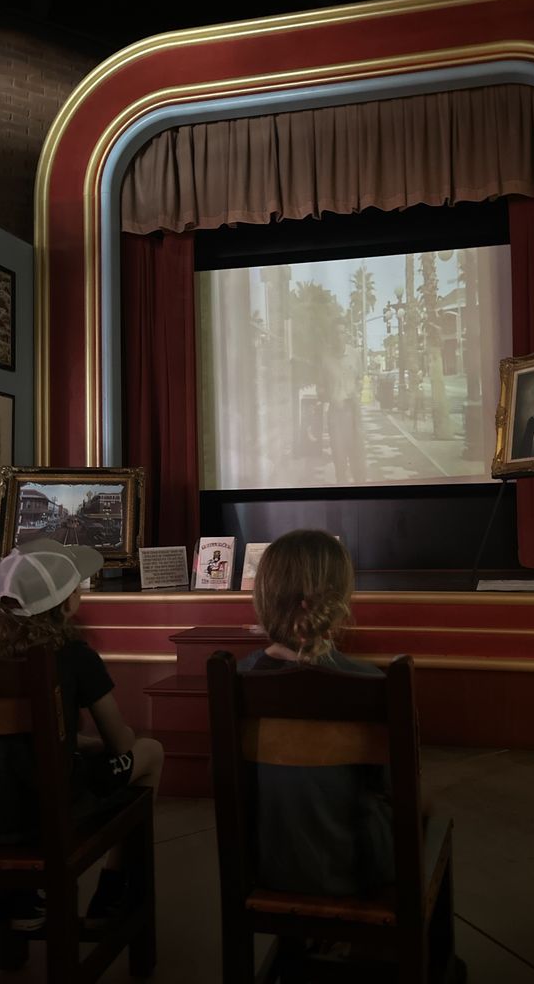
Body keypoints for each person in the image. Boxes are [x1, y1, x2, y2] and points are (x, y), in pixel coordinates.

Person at [0, 539, 164, 931]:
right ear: (66, 601)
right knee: (151, 751)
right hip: (55, 808)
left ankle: (17, 897)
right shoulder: (73, 655)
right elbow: (120, 742)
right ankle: (112, 891)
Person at [237, 529, 394, 895]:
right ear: (339, 598)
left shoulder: (238, 678)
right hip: (356, 873)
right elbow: (393, 788)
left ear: (265, 595)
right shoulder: (369, 684)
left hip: (264, 870)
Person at [318, 322, 367, 484]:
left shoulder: (355, 355)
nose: (339, 337)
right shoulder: (326, 359)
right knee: (339, 455)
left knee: (357, 455)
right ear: (332, 336)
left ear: (346, 335)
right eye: (336, 333)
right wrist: (328, 395)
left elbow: (360, 379)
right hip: (336, 413)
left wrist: (357, 391)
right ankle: (342, 489)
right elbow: (320, 387)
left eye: (342, 333)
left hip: (353, 410)